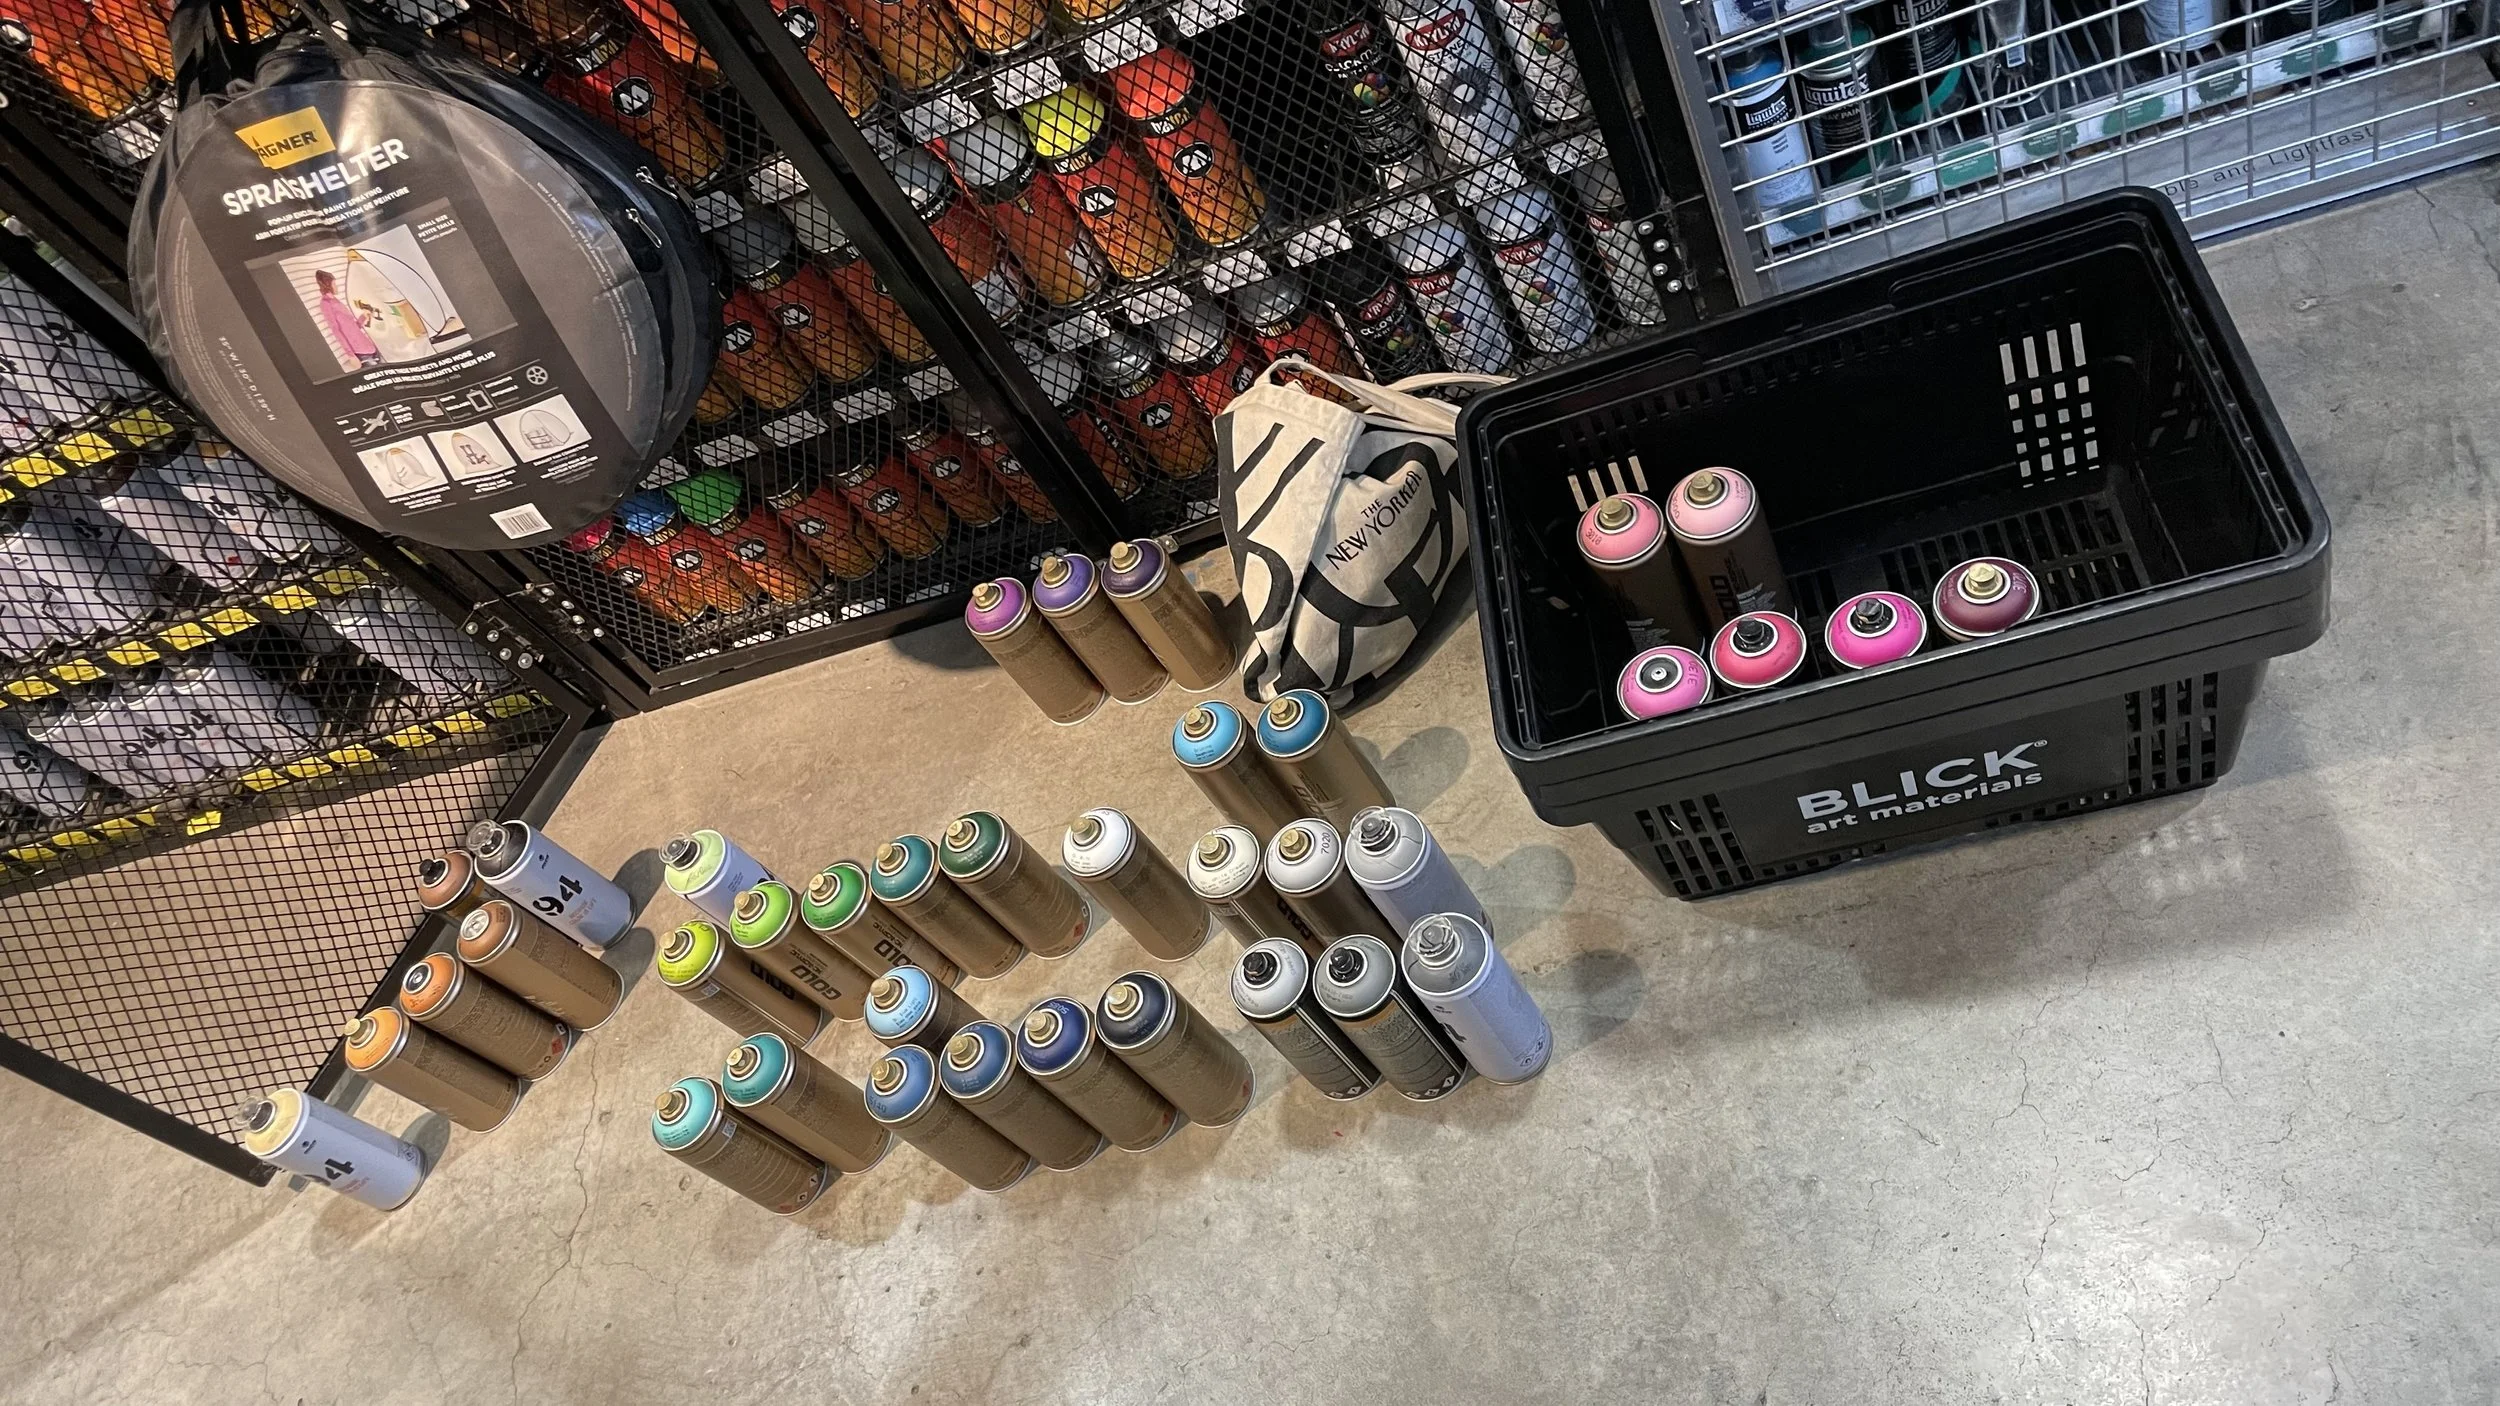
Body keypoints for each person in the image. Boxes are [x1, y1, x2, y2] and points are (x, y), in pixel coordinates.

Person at [315, 268, 384, 369]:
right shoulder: (326, 303)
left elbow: (353, 327)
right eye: (334, 284)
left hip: (370, 347)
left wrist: (363, 317)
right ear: (328, 285)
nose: (336, 287)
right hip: (360, 353)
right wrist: (350, 355)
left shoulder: (336, 301)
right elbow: (336, 330)